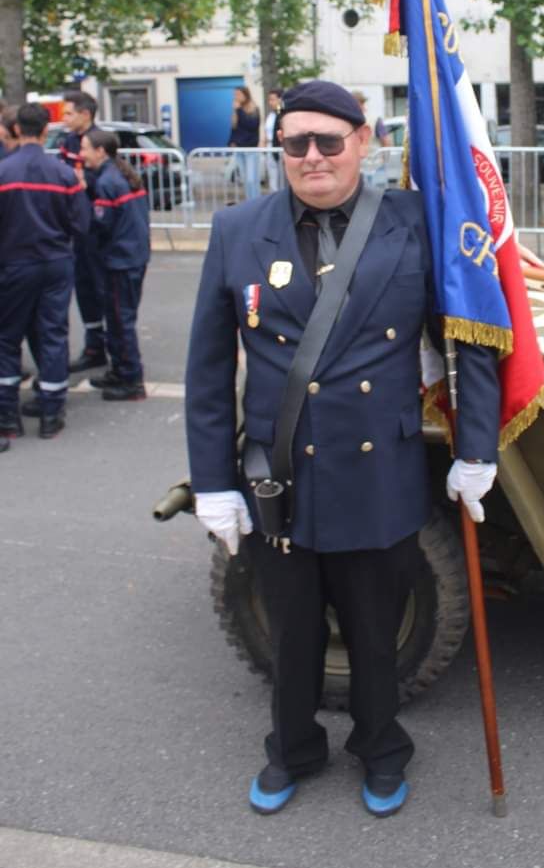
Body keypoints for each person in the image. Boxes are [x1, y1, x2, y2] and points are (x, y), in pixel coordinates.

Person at [185, 79, 500, 818]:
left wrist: (475, 445)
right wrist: (212, 481)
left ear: (365, 141)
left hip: (376, 470)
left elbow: (468, 337)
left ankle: (381, 748)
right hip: (279, 473)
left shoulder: (415, 222)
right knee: (291, 631)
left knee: (371, 629)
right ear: (279, 149)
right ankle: (291, 748)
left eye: (329, 139)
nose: (313, 155)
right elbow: (205, 369)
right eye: (295, 141)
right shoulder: (238, 229)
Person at [0, 102, 89, 450]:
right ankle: (52, 415)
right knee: (52, 332)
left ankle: (8, 419)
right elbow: (81, 224)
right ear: (46, 130)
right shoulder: (63, 174)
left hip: (14, 263)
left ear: (17, 130)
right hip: (55, 262)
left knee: (7, 338)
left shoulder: (4, 173)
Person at [76, 129, 151, 400]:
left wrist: (82, 198)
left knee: (121, 321)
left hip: (122, 260)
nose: (81, 154)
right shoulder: (120, 174)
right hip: (132, 256)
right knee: (118, 317)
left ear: (100, 151)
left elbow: (100, 223)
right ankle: (119, 370)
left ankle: (132, 380)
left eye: (85, 148)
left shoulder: (109, 181)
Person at [58, 90, 107, 371]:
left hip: (97, 227)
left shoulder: (100, 140)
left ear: (85, 114)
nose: (64, 119)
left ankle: (110, 346)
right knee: (84, 286)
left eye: (68, 113)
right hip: (77, 226)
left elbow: (105, 177)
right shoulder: (67, 141)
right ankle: (93, 346)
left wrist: (84, 179)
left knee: (101, 286)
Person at [228, 85, 261, 201]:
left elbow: (251, 125)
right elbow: (235, 129)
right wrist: (231, 142)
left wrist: (238, 111)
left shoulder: (253, 109)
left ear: (245, 95)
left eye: (238, 94)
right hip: (239, 148)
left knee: (252, 179)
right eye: (234, 95)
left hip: (251, 149)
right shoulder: (237, 110)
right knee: (245, 178)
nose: (235, 97)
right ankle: (250, 201)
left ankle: (256, 201)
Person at [262, 88, 284, 192]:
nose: (270, 102)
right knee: (273, 175)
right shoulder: (270, 115)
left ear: (280, 99)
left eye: (273, 99)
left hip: (280, 147)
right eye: (269, 100)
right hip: (270, 147)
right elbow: (267, 132)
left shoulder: (282, 114)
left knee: (282, 176)